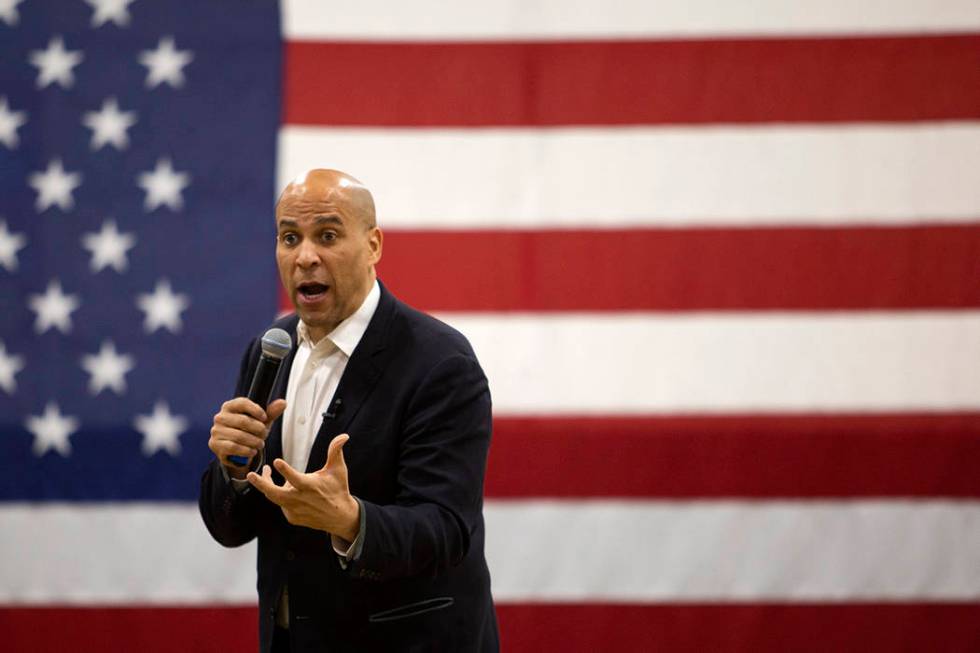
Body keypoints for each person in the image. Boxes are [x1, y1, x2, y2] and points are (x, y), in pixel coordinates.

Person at [199, 169, 498, 652]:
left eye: (328, 235)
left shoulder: (440, 362)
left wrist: (351, 521)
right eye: (289, 238)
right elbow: (231, 528)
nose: (305, 256)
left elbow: (446, 530)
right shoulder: (269, 351)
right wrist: (234, 470)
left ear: (374, 245)